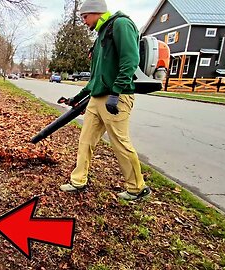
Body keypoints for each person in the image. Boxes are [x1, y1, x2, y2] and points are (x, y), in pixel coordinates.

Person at [59, 0, 151, 200]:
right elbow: (96, 78)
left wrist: (116, 92)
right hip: (97, 98)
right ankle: (78, 180)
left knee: (119, 142)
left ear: (96, 12)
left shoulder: (121, 24)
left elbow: (130, 60)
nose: (84, 22)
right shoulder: (101, 34)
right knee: (85, 141)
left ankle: (137, 188)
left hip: (116, 98)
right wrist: (76, 97)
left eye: (85, 17)